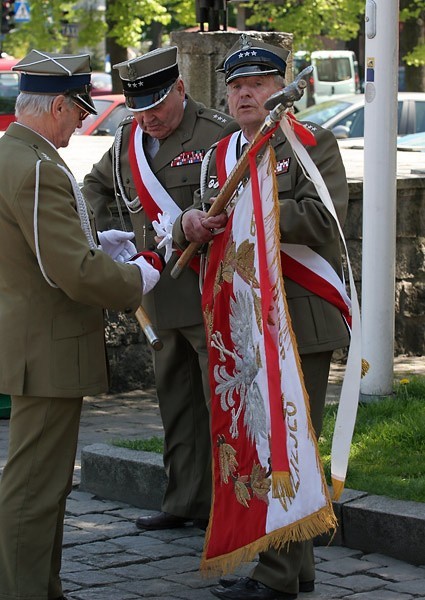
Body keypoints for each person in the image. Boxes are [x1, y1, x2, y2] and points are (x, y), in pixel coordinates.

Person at [173, 34, 350, 600]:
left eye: (257, 85)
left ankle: (276, 578)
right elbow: (204, 219)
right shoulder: (221, 156)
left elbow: (324, 221)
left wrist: (257, 203)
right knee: (265, 446)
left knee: (290, 444)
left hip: (299, 318)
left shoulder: (309, 145)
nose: (245, 95)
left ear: (281, 90)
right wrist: (192, 224)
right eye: (236, 87)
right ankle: (293, 572)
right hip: (243, 322)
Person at [0, 49, 162, 600]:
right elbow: (68, 271)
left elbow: (40, 250)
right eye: (77, 111)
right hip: (46, 347)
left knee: (40, 483)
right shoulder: (38, 167)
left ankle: (40, 587)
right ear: (59, 107)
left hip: (32, 342)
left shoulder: (15, 154)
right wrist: (136, 278)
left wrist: (98, 245)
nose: (79, 123)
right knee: (35, 488)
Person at [82, 46, 235, 532]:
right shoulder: (128, 137)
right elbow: (96, 187)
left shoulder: (217, 133)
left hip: (208, 291)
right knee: (175, 402)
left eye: (156, 106)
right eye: (138, 108)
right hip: (155, 294)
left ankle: (231, 509)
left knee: (222, 406)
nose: (147, 119)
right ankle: (185, 500)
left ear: (180, 90)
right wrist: (101, 238)